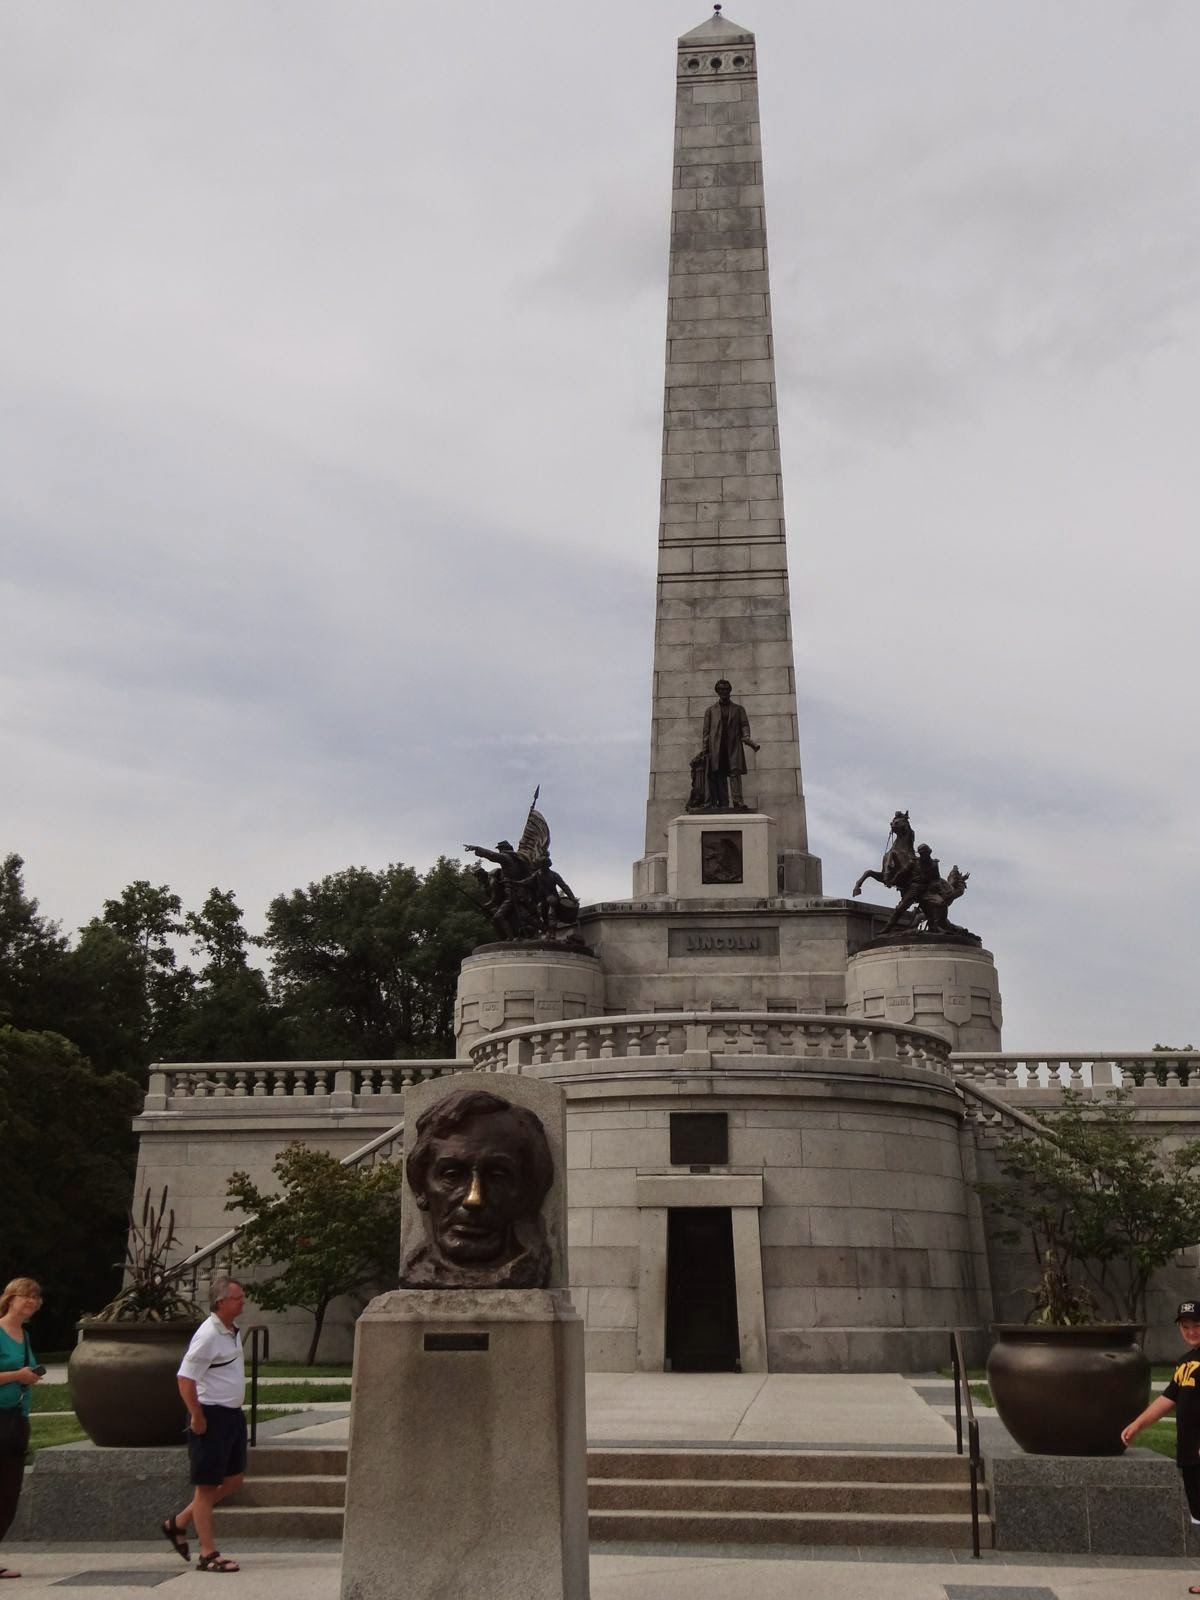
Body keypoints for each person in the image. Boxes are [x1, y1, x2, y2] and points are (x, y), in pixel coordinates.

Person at [399, 1088, 554, 1288]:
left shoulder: (531, 1270)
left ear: (527, 1191)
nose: (474, 1199)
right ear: (420, 1186)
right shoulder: (417, 1269)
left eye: (497, 1177)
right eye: (452, 1176)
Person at [161, 1276, 247, 1573]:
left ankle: (179, 1522)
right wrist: (197, 1415)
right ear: (221, 1302)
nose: (243, 1301)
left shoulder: (231, 1331)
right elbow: (185, 1379)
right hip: (211, 1415)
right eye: (238, 1297)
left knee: (234, 1480)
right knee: (207, 1486)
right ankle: (208, 1553)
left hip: (232, 1416)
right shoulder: (208, 1334)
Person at [1121, 1299, 1200, 1593]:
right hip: (1189, 1453)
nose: (1191, 1331)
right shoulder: (1185, 1362)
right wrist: (1138, 1424)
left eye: (1197, 1326)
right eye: (1186, 1326)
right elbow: (1169, 1399)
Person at [0, 1278, 43, 1579]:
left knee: (8, 1492)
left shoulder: (24, 1336)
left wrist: (29, 1376)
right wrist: (18, 1374)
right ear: (10, 1299)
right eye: (25, 1296)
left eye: (36, 1297)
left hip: (16, 1420)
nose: (31, 1301)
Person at [701, 679, 760, 808]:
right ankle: (723, 803)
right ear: (717, 691)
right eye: (721, 689)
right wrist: (705, 750)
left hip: (733, 745)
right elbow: (706, 733)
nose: (724, 692)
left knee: (735, 772)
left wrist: (746, 736)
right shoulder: (710, 711)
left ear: (730, 691)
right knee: (720, 774)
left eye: (726, 689)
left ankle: (738, 801)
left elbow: (744, 725)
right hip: (716, 747)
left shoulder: (738, 709)